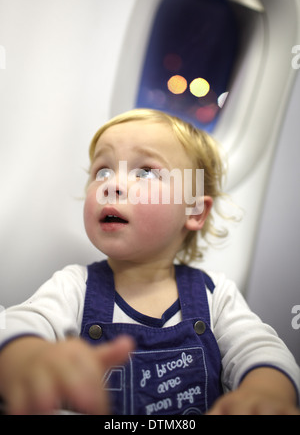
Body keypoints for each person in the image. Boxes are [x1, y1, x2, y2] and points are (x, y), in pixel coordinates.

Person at [0, 109, 299, 415]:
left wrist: (265, 391)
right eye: (102, 171)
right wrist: (28, 357)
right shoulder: (74, 286)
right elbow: (18, 323)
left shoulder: (215, 294)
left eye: (145, 172)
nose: (110, 185)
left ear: (194, 210)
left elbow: (258, 348)